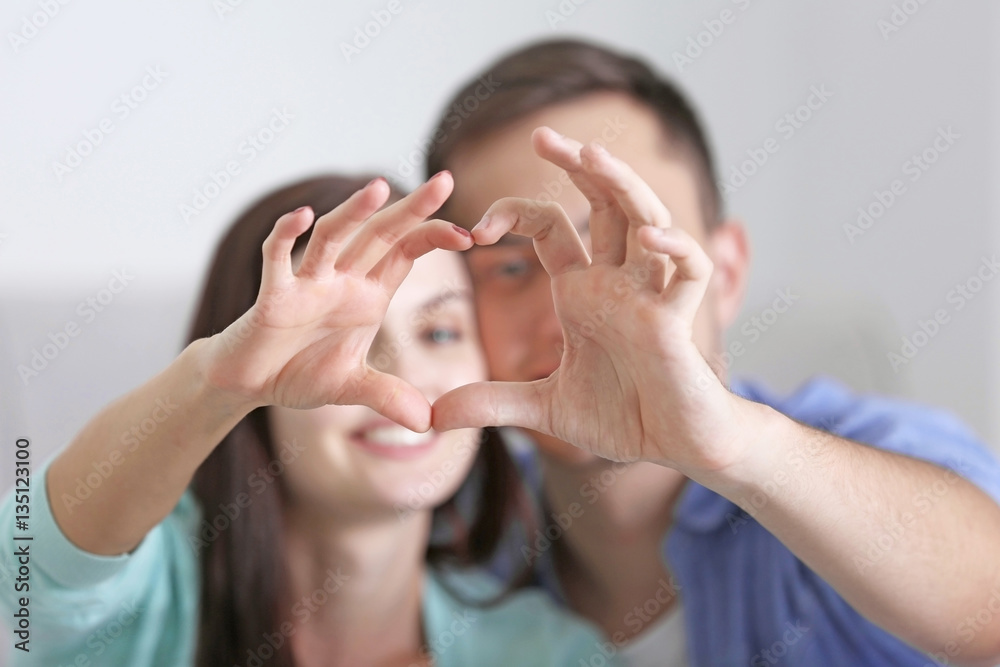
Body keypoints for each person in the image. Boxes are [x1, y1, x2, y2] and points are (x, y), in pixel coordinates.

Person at [424, 39, 1000, 665]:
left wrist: (738, 451)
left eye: (620, 247)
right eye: (510, 267)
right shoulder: (461, 548)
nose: (572, 313)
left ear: (725, 273)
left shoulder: (870, 451)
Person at [0, 174, 616, 666]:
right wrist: (216, 384)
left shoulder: (547, 652)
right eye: (340, 339)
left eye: (441, 331)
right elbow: (30, 556)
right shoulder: (147, 601)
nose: (398, 379)